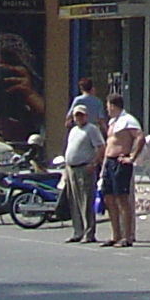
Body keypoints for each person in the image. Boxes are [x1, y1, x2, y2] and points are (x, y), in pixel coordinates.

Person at [99, 93, 143, 246]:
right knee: (109, 198)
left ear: (113, 105)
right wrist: (103, 166)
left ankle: (127, 236)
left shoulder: (128, 120)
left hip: (121, 162)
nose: (107, 110)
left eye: (108, 106)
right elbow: (109, 144)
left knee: (122, 199)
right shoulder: (113, 122)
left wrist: (131, 157)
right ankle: (115, 234)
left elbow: (140, 137)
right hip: (109, 162)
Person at [57, 103, 102, 244]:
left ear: (86, 116)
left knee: (86, 201)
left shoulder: (91, 129)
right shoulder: (73, 130)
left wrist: (94, 164)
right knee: (74, 201)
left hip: (85, 168)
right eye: (77, 115)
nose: (79, 118)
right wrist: (66, 169)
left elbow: (101, 147)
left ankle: (89, 233)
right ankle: (78, 231)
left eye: (81, 115)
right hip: (71, 169)